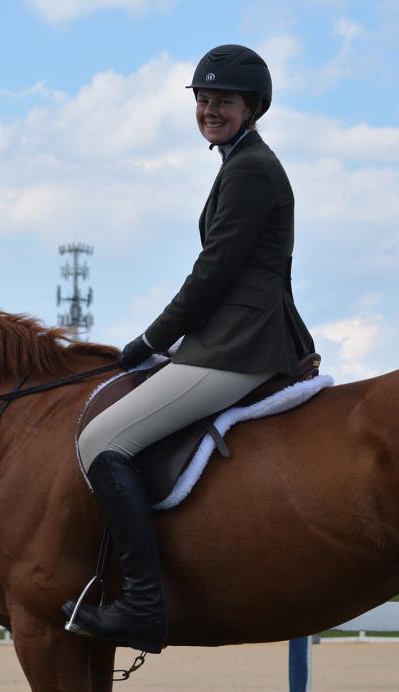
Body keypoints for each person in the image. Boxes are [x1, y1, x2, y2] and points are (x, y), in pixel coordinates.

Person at [63, 44, 315, 654]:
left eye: (223, 101)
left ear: (252, 107)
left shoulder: (250, 168)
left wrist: (152, 339)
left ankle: (144, 605)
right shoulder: (239, 162)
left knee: (101, 442)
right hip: (230, 336)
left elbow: (215, 271)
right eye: (203, 99)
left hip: (238, 345)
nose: (209, 110)